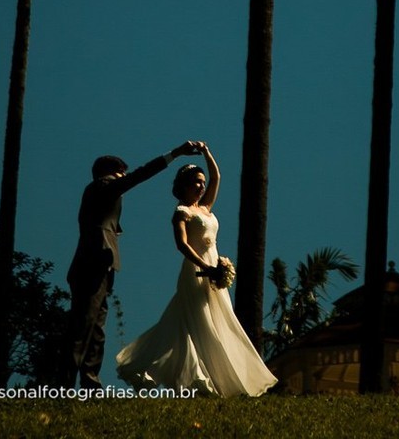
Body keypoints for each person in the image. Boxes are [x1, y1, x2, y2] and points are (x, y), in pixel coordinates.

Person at [115, 142, 277, 396]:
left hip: (214, 271)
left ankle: (204, 378)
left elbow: (217, 177)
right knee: (202, 324)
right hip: (196, 272)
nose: (201, 186)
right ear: (184, 185)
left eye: (202, 182)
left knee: (210, 321)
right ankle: (206, 381)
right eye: (196, 182)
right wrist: (205, 267)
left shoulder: (206, 208)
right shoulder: (182, 212)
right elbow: (182, 244)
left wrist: (207, 152)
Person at [62, 140, 201, 390]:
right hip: (94, 262)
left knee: (96, 328)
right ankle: (64, 384)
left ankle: (90, 384)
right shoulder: (103, 186)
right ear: (111, 173)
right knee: (84, 325)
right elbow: (140, 175)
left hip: (99, 264)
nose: (123, 180)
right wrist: (176, 154)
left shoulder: (98, 195)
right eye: (121, 174)